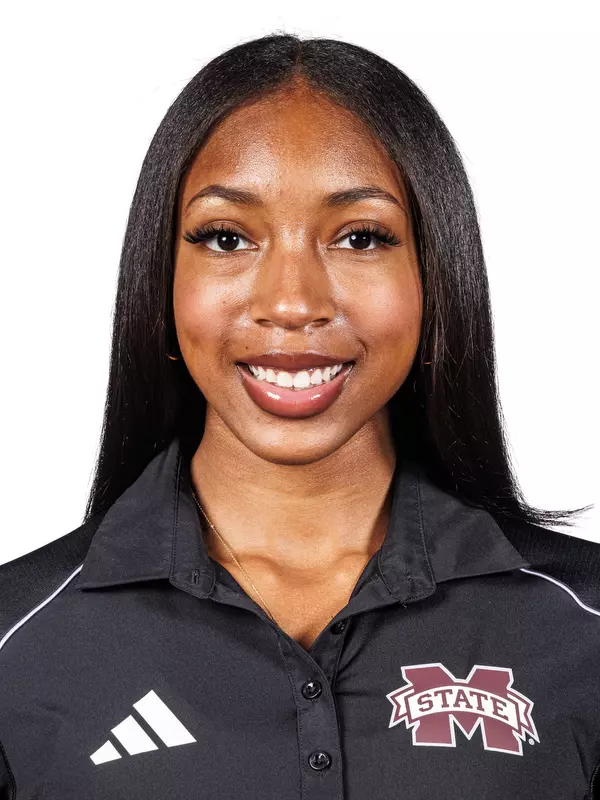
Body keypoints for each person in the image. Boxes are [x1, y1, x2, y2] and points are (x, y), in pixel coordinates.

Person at [0, 32, 597, 800]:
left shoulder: (583, 629)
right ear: (160, 278)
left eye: (360, 237)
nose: (291, 302)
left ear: (434, 274)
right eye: (226, 237)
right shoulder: (19, 645)